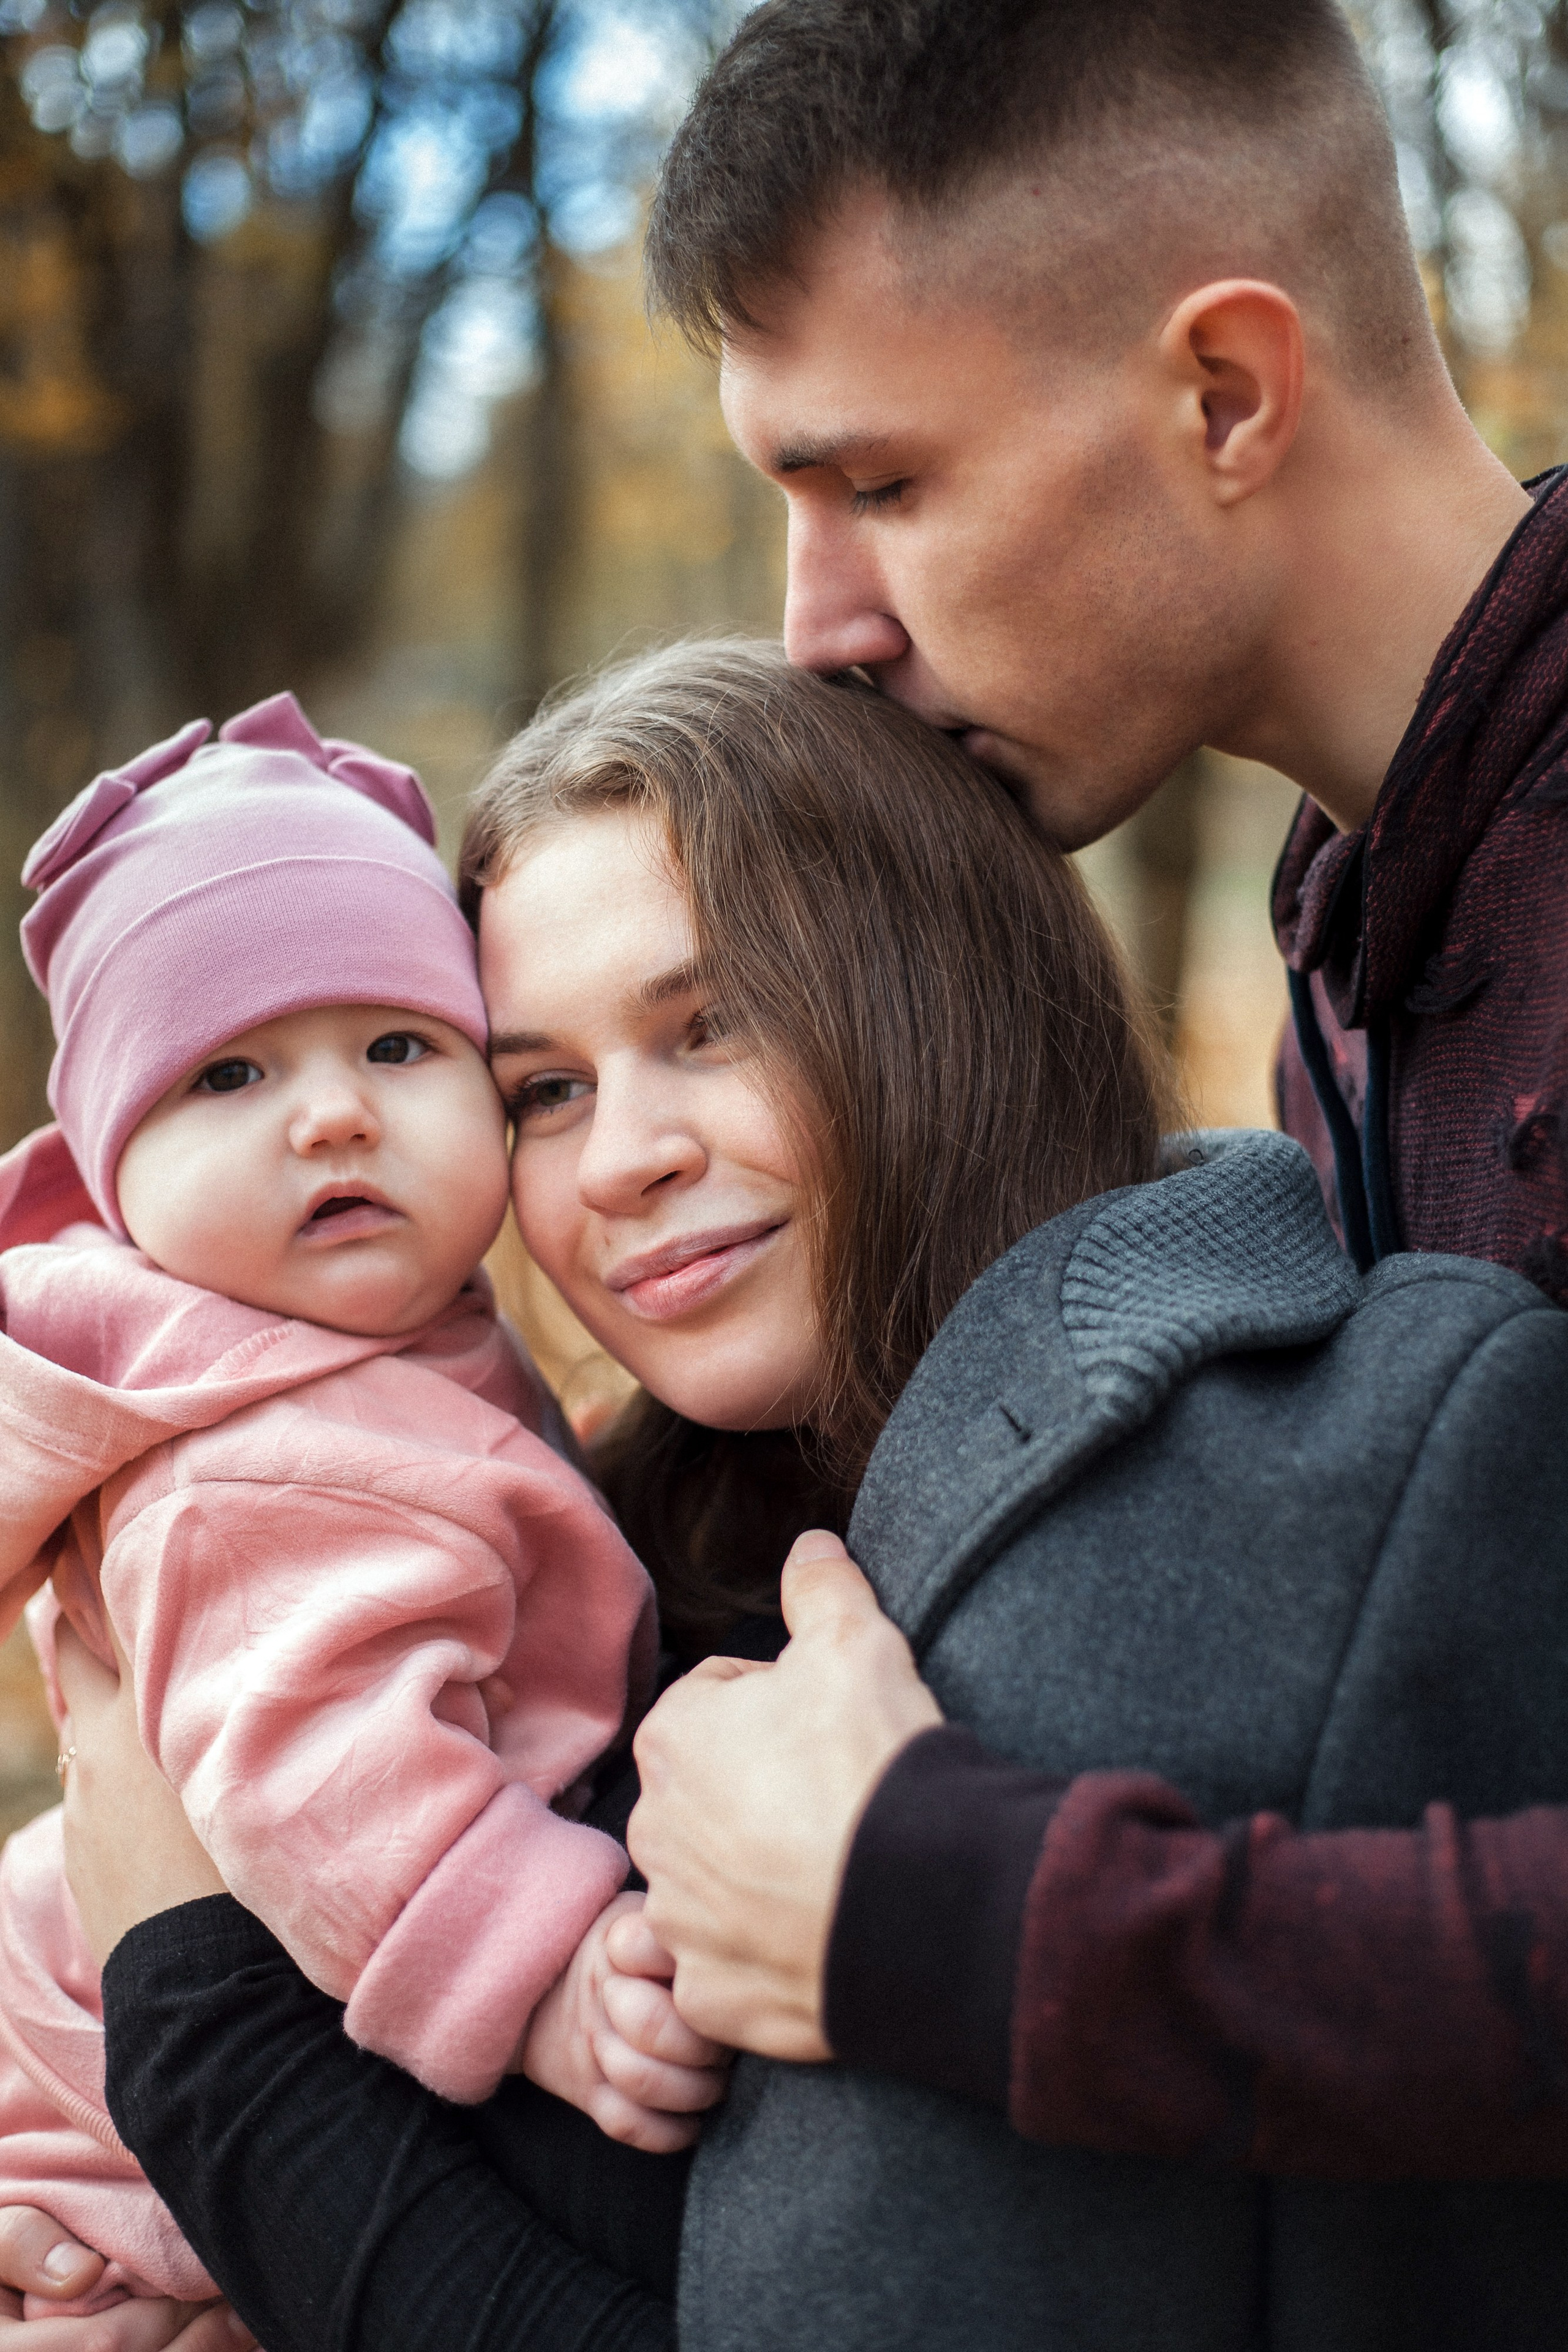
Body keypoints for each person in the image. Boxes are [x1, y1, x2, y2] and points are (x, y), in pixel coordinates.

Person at [36, 646, 1568, 2351]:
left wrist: (200, 2015)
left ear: (948, 990)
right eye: (546, 1088)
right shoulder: (627, 1520)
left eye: (716, 1026)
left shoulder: (1209, 1529)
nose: (624, 1156)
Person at [598, 0, 1568, 2171]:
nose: (816, 621)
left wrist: (936, 1909)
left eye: (882, 484)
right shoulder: (1369, 931)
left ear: (1225, 391)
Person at [0, 690, 726, 2334]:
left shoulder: (388, 1354)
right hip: (106, 2157)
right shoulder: (254, 1456)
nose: (332, 1114)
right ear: (117, 1178)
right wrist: (541, 1981)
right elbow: (325, 1775)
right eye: (231, 1074)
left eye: (400, 1048)